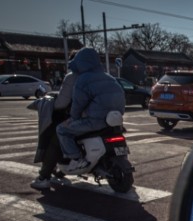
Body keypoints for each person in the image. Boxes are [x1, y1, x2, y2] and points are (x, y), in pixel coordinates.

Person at [56, 47, 125, 173]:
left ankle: (76, 159)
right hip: (114, 120)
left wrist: (73, 118)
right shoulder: (110, 78)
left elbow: (77, 105)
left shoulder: (83, 80)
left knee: (61, 130)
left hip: (94, 121)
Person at [30, 52, 79, 190]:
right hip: (108, 118)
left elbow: (61, 103)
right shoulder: (104, 76)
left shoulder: (73, 77)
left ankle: (44, 176)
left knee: (56, 137)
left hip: (82, 119)